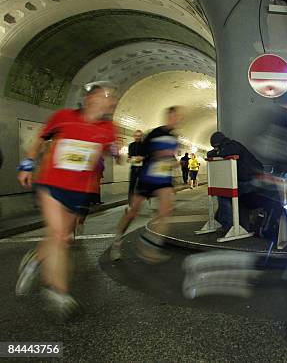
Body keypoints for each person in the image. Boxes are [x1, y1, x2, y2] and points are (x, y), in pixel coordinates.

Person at [15, 82, 119, 319]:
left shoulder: (108, 129)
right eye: (107, 97)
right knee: (61, 237)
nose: (111, 102)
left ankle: (33, 260)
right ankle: (58, 293)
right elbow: (40, 139)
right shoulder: (62, 117)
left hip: (77, 191)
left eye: (112, 99)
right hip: (51, 184)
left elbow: (102, 154)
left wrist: (113, 152)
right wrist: (28, 163)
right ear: (90, 99)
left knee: (59, 236)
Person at [110, 106, 182, 263]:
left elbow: (172, 158)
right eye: (175, 116)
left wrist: (174, 164)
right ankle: (117, 240)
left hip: (164, 181)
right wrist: (155, 155)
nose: (177, 120)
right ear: (169, 117)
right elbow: (141, 155)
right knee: (133, 213)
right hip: (147, 178)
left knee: (165, 213)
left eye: (179, 117)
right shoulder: (154, 133)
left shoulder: (175, 138)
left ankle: (149, 246)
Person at [207, 132, 263, 232]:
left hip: (251, 180)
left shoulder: (232, 145)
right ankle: (222, 221)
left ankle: (227, 225)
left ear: (219, 143)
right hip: (250, 179)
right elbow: (210, 153)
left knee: (224, 194)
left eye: (215, 147)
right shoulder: (228, 146)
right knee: (225, 192)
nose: (215, 149)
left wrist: (217, 152)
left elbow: (226, 153)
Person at [127, 130, 145, 205]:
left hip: (142, 169)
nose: (137, 137)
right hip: (133, 168)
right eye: (136, 136)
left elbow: (149, 156)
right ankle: (130, 203)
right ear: (134, 136)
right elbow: (129, 156)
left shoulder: (145, 145)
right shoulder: (131, 145)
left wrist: (142, 157)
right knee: (131, 185)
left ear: (141, 136)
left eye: (139, 136)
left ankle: (139, 201)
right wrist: (128, 158)